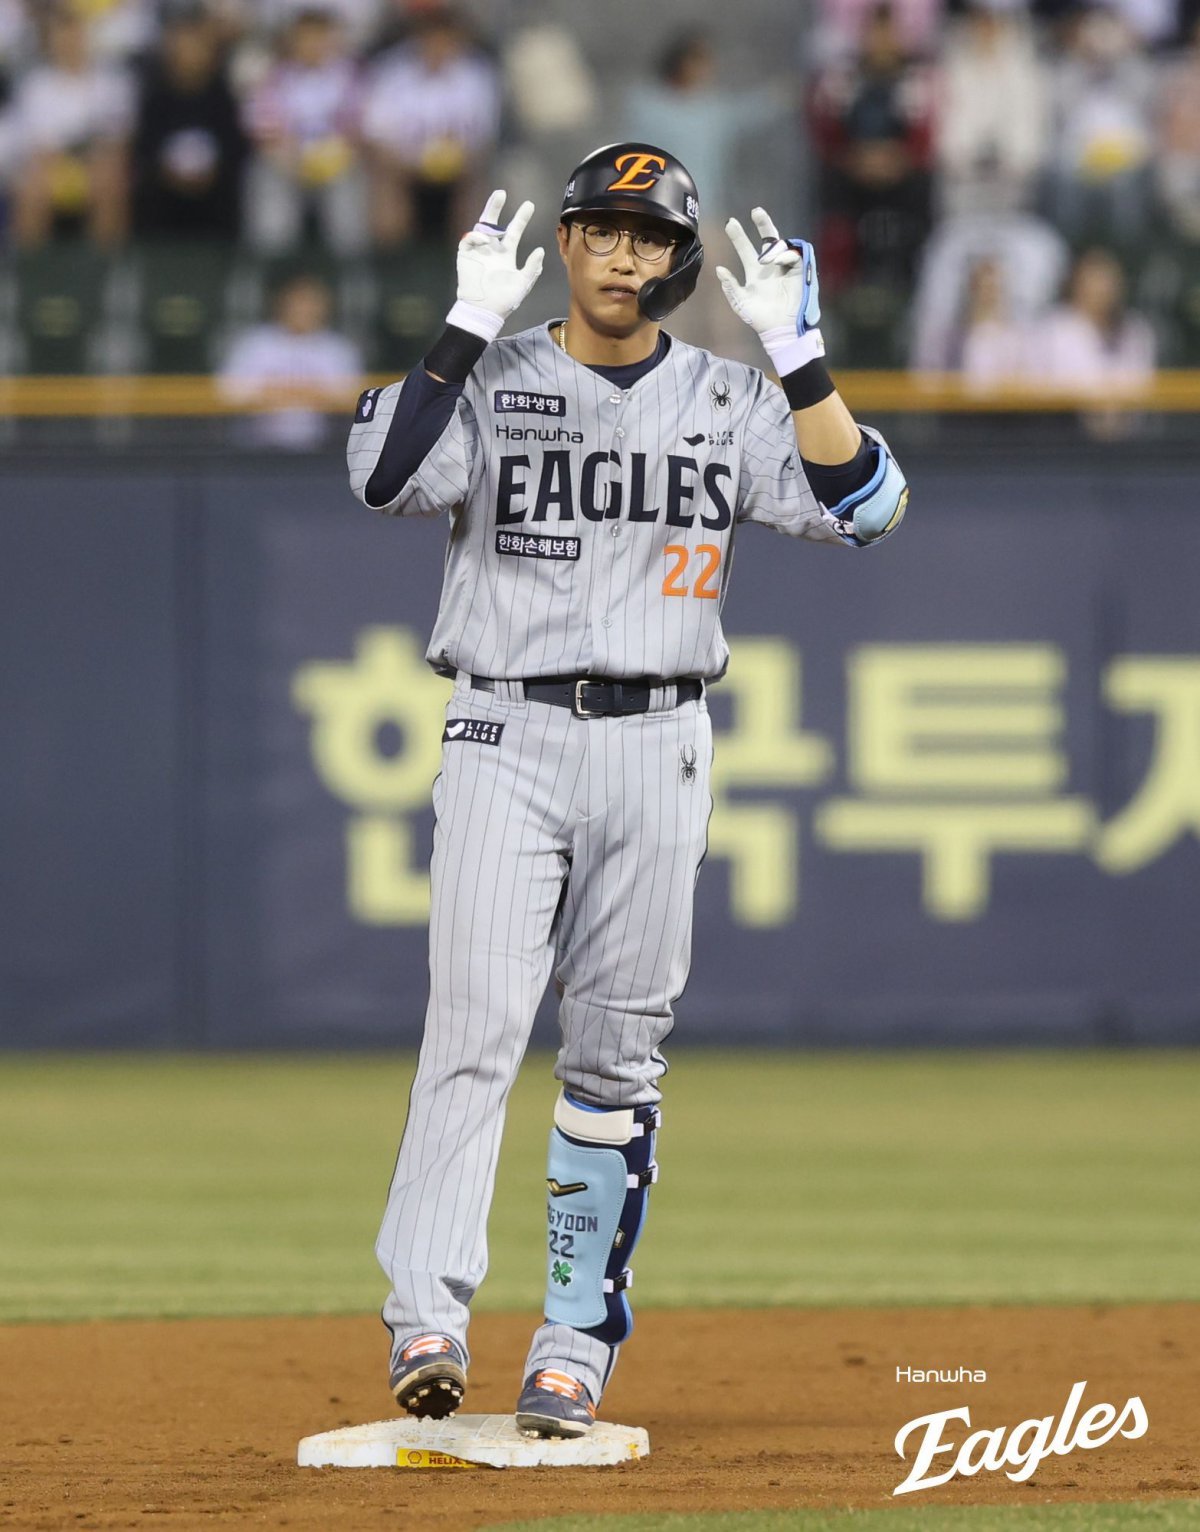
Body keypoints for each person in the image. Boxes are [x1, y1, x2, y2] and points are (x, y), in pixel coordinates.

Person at [347, 142, 908, 1438]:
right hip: (504, 726)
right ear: (563, 242)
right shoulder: (491, 376)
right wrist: (462, 326)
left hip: (660, 740)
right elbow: (383, 478)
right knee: (474, 1030)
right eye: (600, 229)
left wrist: (800, 358)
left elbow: (871, 507)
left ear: (677, 262)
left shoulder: (730, 397)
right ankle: (426, 1315)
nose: (620, 254)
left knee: (614, 1056)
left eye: (648, 236)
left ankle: (573, 1340)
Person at [130, 3, 246, 240]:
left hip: (214, 190)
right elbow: (145, 148)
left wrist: (212, 173)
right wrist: (169, 174)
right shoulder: (156, 98)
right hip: (164, 190)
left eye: (196, 46)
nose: (190, 54)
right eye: (183, 46)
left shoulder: (223, 98)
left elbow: (235, 147)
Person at [220, 271, 363, 449]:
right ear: (281, 303)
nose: (304, 309)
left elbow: (353, 400)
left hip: (323, 450)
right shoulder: (254, 344)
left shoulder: (338, 349)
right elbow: (228, 395)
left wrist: (288, 395)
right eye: (298, 301)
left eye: (312, 302)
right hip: (256, 448)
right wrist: (301, 395)